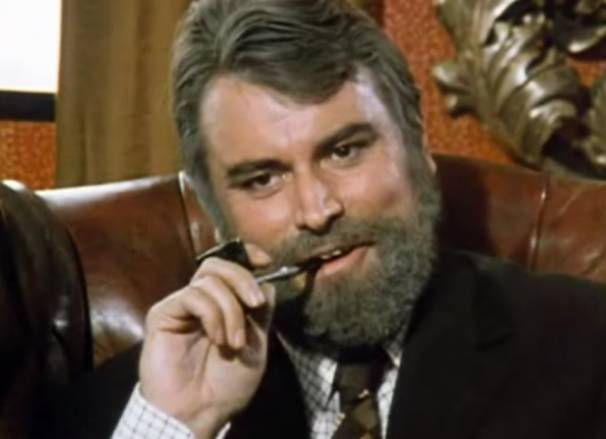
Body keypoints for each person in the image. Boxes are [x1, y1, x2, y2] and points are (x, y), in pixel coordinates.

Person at [51, 0, 606, 438]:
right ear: (215, 212)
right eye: (262, 179)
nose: (317, 211)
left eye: (344, 151)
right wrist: (182, 424)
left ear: (419, 150)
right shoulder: (127, 411)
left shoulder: (586, 346)